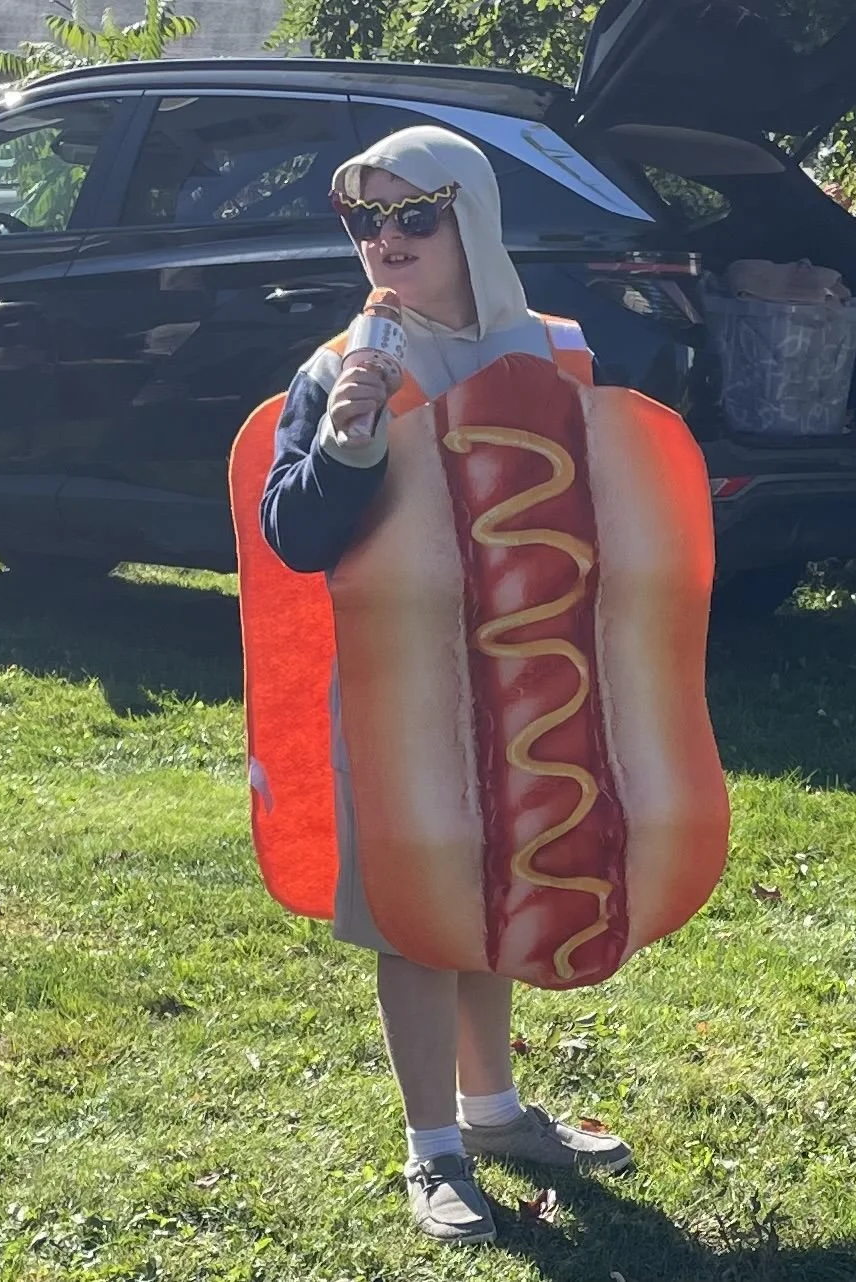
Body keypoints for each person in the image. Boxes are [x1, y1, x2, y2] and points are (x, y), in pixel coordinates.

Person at [230, 127, 727, 1248]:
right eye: (365, 221)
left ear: (474, 220)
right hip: (403, 697)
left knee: (501, 877)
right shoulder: (335, 368)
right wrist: (349, 438)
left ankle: (492, 1109)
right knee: (417, 914)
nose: (386, 240)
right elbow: (293, 534)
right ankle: (432, 1146)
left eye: (414, 213)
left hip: (534, 680)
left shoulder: (555, 350)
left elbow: (616, 494)